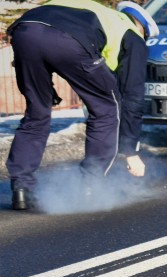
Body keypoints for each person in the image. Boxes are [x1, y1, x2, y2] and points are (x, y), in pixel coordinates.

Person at [5, 0, 158, 211]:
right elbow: (132, 96)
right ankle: (91, 184)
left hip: (25, 31)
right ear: (142, 28)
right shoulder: (132, 35)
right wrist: (130, 151)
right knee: (107, 108)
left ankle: (22, 188)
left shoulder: (92, 10)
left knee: (37, 112)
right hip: (69, 39)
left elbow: (44, 29)